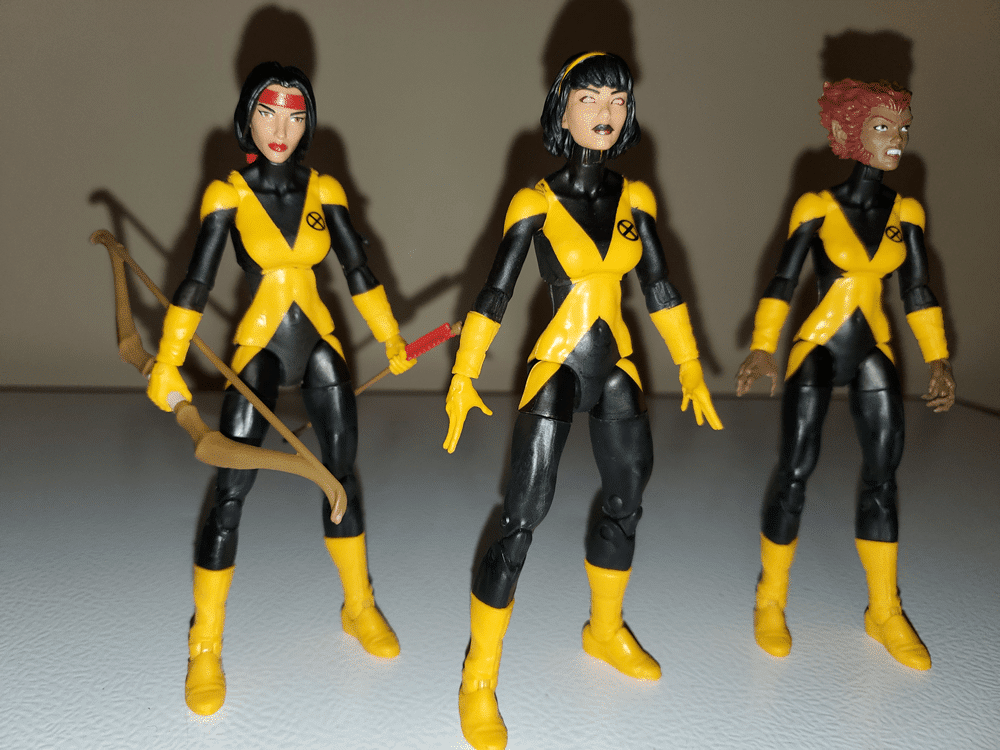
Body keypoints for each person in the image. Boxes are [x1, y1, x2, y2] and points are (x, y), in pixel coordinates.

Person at [444, 52, 722, 749]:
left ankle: (604, 629)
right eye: (591, 97)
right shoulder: (535, 202)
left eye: (618, 100)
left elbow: (659, 287)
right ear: (562, 109)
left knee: (627, 497)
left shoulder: (636, 199)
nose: (606, 111)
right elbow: (496, 292)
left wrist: (690, 364)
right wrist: (464, 372)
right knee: (522, 515)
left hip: (617, 363)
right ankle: (479, 676)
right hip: (558, 366)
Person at [146, 61, 414, 715]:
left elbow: (357, 267)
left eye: (295, 116)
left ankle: (358, 605)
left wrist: (389, 336)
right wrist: (169, 360)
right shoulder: (229, 193)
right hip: (260, 348)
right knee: (231, 485)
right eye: (268, 112)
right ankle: (205, 641)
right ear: (248, 116)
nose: (280, 128)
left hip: (318, 342)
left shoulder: (324, 188)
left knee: (340, 478)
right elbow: (197, 282)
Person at [736, 79, 955, 671]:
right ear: (849, 132)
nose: (897, 139)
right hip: (818, 346)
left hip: (872, 347)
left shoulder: (906, 212)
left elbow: (917, 289)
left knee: (883, 474)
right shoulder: (817, 206)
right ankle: (770, 598)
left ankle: (883, 609)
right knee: (796, 468)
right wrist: (763, 347)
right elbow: (784, 280)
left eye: (903, 128)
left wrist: (937, 357)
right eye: (883, 127)